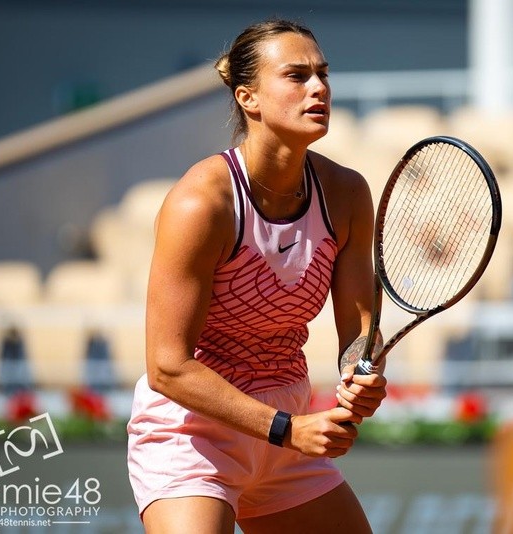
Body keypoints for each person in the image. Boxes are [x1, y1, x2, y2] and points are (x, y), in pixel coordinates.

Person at [126, 18, 388, 534]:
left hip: (287, 434)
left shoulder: (347, 193)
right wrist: (287, 429)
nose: (319, 88)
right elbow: (167, 367)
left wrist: (364, 371)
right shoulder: (201, 203)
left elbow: (359, 329)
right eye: (296, 75)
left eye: (323, 74)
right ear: (248, 98)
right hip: (195, 434)